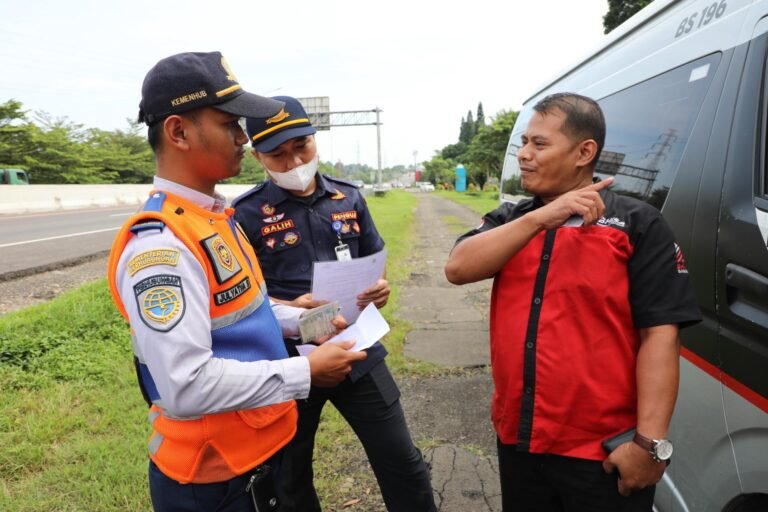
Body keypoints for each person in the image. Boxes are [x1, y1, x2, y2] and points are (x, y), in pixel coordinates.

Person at [107, 52, 366, 512]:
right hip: (212, 481)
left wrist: (300, 320)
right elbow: (185, 387)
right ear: (179, 132)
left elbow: (239, 314)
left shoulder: (216, 218)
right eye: (229, 124)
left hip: (257, 456)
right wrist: (305, 370)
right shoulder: (159, 248)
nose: (244, 138)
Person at [444, 92, 701, 511]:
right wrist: (541, 217)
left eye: (539, 144)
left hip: (601, 454)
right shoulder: (513, 220)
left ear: (585, 152)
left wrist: (649, 445)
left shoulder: (637, 224)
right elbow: (458, 268)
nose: (524, 155)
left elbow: (660, 335)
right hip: (520, 442)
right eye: (524, 143)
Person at [232, 96, 436, 512]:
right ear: (257, 157)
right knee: (289, 477)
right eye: (277, 154)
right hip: (290, 361)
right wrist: (291, 305)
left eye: (301, 147)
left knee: (402, 461)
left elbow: (375, 263)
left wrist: (380, 288)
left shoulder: (349, 198)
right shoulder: (246, 214)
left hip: (358, 348)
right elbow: (241, 300)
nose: (293, 162)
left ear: (314, 140)